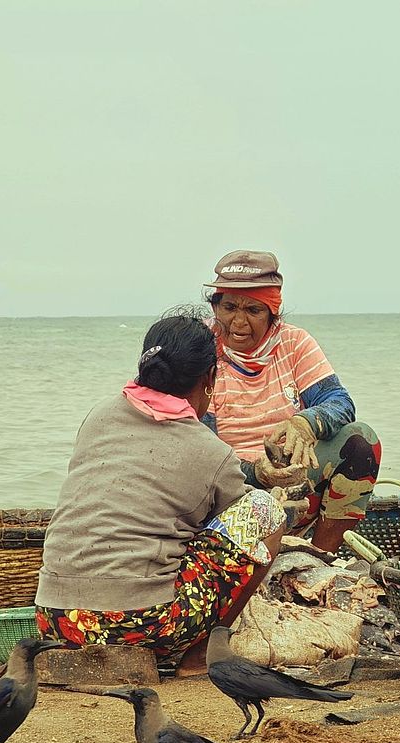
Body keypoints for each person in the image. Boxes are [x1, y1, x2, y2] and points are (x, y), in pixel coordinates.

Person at [35, 312, 288, 675]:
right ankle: (201, 656)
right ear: (209, 380)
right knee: (264, 510)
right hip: (140, 624)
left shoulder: (99, 415)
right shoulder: (211, 451)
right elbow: (232, 528)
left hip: (56, 619)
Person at [203, 250, 380, 554]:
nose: (239, 321)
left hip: (288, 477)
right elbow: (198, 445)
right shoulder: (201, 346)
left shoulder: (293, 343)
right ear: (215, 306)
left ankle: (322, 555)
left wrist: (306, 422)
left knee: (361, 441)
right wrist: (254, 472)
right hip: (225, 483)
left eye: (254, 310)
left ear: (272, 312)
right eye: (229, 307)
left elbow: (339, 401)